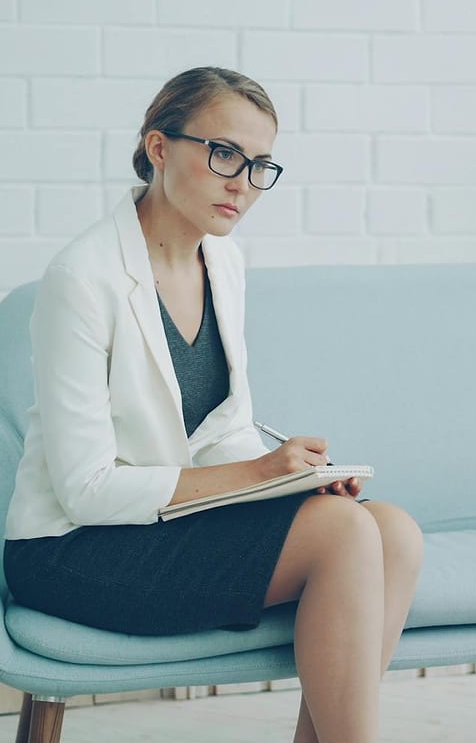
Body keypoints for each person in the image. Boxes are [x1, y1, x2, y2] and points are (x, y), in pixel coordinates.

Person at [3, 67, 422, 743]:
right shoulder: (80, 280)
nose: (243, 183)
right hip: (75, 549)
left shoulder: (223, 263)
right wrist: (261, 477)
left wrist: (296, 480)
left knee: (392, 531)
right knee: (345, 534)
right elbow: (84, 490)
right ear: (160, 149)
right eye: (225, 154)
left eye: (260, 166)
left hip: (165, 525)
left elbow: (223, 432)